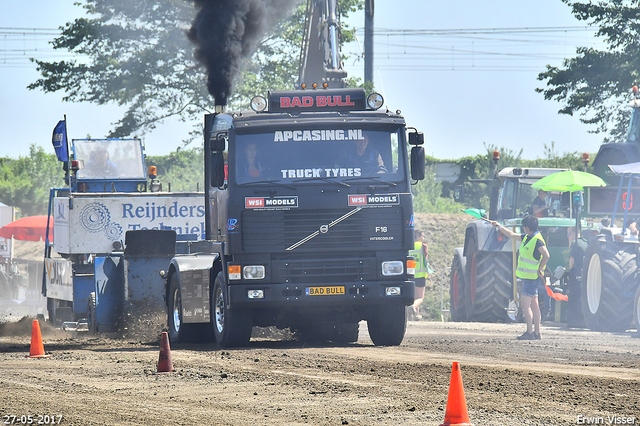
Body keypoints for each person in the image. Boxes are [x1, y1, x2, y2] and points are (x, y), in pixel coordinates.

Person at [490, 215, 550, 340]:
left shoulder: (537, 240)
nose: (523, 229)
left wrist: (540, 268)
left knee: (525, 305)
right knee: (534, 305)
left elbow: (546, 255)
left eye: (524, 227)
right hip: (530, 277)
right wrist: (499, 226)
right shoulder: (528, 237)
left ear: (527, 227)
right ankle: (537, 333)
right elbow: (511, 235)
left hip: (531, 278)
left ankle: (529, 332)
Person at [565, 227, 588, 327]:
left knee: (574, 296)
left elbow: (572, 259)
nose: (567, 236)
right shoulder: (586, 242)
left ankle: (574, 320)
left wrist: (571, 271)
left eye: (569, 234)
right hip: (586, 272)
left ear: (575, 233)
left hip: (577, 272)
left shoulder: (575, 243)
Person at [408, 230, 428, 320]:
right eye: (422, 236)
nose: (423, 238)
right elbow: (426, 258)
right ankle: (412, 307)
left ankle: (416, 315)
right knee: (420, 298)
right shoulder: (422, 246)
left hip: (411, 275)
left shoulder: (409, 246)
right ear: (418, 236)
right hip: (420, 275)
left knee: (414, 296)